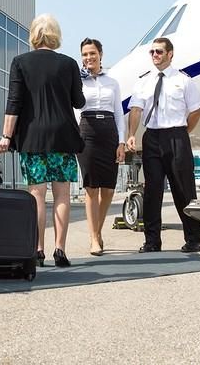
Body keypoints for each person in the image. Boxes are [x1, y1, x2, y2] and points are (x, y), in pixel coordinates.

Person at [0, 14, 85, 267]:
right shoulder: (68, 64)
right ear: (56, 35)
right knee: (62, 194)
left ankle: (37, 249)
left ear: (34, 35)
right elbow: (79, 102)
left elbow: (14, 103)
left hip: (33, 138)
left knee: (36, 194)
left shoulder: (20, 62)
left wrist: (6, 137)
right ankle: (60, 250)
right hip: (63, 137)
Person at [125, 37, 200, 253]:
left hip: (177, 136)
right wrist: (131, 134)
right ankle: (152, 241)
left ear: (170, 54)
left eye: (159, 51)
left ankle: (194, 239)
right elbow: (136, 110)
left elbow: (196, 111)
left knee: (184, 190)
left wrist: (183, 132)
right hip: (152, 138)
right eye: (152, 52)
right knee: (153, 191)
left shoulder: (184, 80)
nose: (155, 56)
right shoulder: (144, 81)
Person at [76, 38, 125, 256]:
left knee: (108, 190)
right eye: (85, 54)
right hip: (86, 131)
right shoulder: (77, 81)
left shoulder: (112, 82)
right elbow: (74, 110)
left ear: (101, 54)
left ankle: (97, 230)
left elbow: (119, 114)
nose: (89, 58)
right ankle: (94, 238)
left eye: (92, 53)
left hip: (109, 132)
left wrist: (121, 141)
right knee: (91, 188)